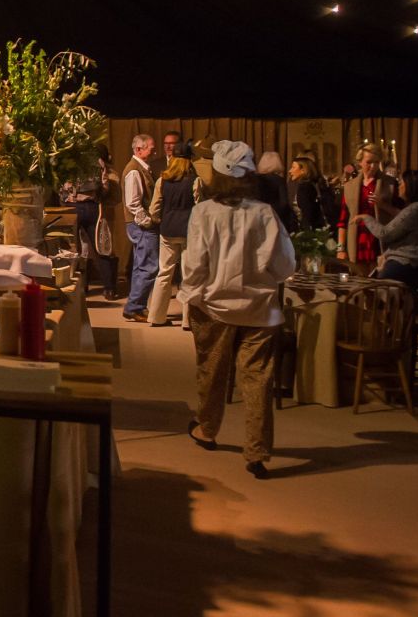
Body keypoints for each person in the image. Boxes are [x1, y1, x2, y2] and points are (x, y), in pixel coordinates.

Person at [183, 141, 297, 480]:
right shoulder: (264, 214)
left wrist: (194, 293)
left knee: (212, 372)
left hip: (214, 306)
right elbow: (284, 264)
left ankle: (207, 429)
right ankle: (257, 451)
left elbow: (194, 265)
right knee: (258, 379)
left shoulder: (204, 212)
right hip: (259, 309)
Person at [356, 169, 418, 291]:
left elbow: (385, 234)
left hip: (406, 264)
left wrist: (366, 218)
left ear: (411, 187)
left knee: (374, 293)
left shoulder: (414, 210)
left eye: (402, 183)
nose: (399, 186)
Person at [145, 156, 198, 326]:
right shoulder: (195, 181)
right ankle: (187, 321)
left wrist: (160, 220)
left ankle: (156, 317)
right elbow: (200, 206)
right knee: (188, 275)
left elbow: (154, 209)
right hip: (189, 231)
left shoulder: (162, 181)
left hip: (167, 231)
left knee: (164, 273)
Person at [68, 143, 119, 300]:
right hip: (92, 207)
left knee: (73, 250)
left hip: (72, 207)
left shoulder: (69, 161)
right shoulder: (99, 162)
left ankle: (76, 287)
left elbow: (62, 186)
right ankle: (109, 289)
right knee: (101, 247)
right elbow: (105, 186)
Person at [337, 143, 398, 274]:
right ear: (360, 162)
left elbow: (401, 215)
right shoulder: (350, 186)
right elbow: (343, 220)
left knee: (379, 281)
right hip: (358, 239)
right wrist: (340, 248)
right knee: (359, 281)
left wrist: (383, 205)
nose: (373, 166)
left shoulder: (390, 184)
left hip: (379, 239)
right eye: (369, 162)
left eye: (376, 162)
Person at [122, 133, 161, 321]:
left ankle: (136, 305)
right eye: (151, 148)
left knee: (142, 265)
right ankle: (135, 307)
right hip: (141, 225)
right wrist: (148, 222)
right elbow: (133, 203)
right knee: (148, 266)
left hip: (140, 225)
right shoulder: (134, 170)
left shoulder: (142, 168)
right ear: (139, 149)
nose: (154, 151)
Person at [288, 156, 333, 234]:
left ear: (303, 170)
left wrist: (306, 234)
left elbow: (307, 213)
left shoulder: (304, 187)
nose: (290, 171)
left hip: (309, 233)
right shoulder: (313, 185)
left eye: (293, 167)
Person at [256, 151, 293, 231]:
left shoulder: (254, 180)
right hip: (276, 216)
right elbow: (284, 203)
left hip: (258, 216)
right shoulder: (279, 180)